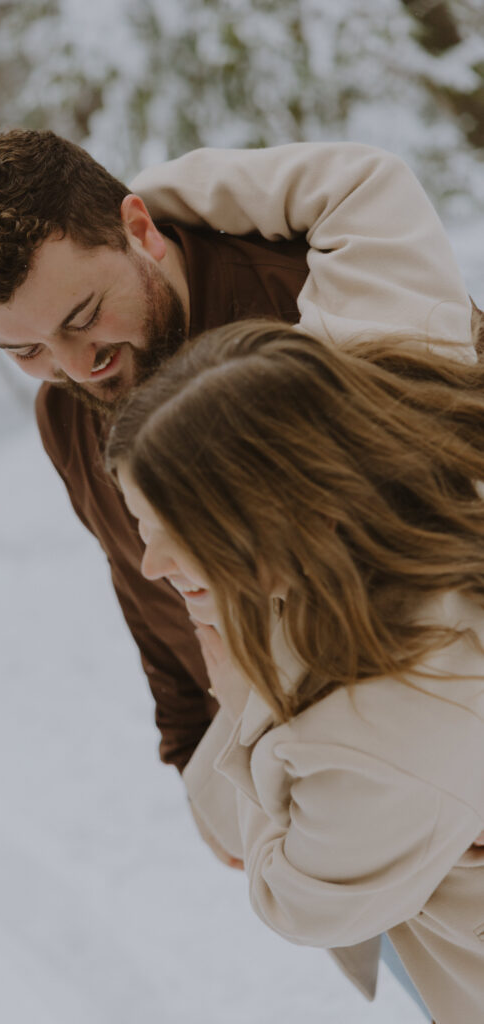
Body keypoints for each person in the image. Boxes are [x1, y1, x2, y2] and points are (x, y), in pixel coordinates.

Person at [0, 130, 478, 869]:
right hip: (301, 799)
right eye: (24, 352)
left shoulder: (300, 295)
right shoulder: (64, 416)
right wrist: (191, 750)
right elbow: (138, 579)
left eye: (83, 316)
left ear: (138, 230)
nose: (74, 368)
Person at [105, 318, 484, 1023]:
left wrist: (237, 699)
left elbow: (296, 901)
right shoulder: (417, 483)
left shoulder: (386, 735)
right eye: (140, 528)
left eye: (168, 532)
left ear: (265, 516)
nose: (150, 564)